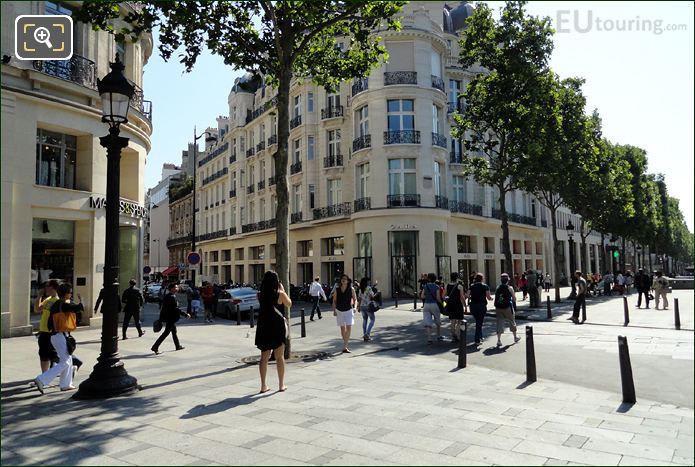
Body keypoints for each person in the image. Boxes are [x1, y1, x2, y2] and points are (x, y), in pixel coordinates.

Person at [34, 283, 83, 394]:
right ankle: (41, 379)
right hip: (59, 335)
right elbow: (78, 308)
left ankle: (66, 384)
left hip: (58, 335)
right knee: (65, 362)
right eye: (70, 292)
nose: (71, 294)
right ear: (66, 294)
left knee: (68, 360)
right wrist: (81, 301)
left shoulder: (58, 304)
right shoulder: (62, 304)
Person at [255, 270, 292, 393]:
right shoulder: (280, 294)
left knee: (264, 357)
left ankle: (263, 385)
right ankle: (281, 384)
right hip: (277, 327)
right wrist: (283, 290)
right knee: (279, 357)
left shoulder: (260, 295)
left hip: (264, 326)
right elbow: (289, 304)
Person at [151, 283, 190, 355]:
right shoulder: (171, 297)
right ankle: (155, 347)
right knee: (166, 333)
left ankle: (177, 346)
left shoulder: (169, 296)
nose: (177, 288)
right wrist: (185, 314)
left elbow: (164, 308)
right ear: (172, 289)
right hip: (170, 318)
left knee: (174, 332)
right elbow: (175, 308)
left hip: (169, 317)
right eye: (176, 287)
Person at [35, 280, 59, 372]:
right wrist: (39, 296)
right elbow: (37, 309)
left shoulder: (58, 301)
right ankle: (44, 375)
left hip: (52, 331)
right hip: (43, 331)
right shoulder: (48, 299)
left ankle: (72, 364)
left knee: (53, 355)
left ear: (53, 287)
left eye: (47, 286)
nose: (45, 288)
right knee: (44, 354)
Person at [332, 274, 357, 353]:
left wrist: (355, 307)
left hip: (349, 310)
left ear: (348, 281)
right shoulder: (337, 289)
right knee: (343, 328)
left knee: (348, 327)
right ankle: (345, 343)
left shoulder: (351, 289)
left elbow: (355, 299)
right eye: (342, 279)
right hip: (339, 310)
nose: (343, 280)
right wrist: (334, 310)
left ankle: (345, 346)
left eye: (345, 279)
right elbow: (334, 301)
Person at [493, 273, 519, 347]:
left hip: (498, 307)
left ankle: (498, 340)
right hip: (507, 307)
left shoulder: (498, 287)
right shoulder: (510, 288)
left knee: (499, 322)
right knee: (512, 321)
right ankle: (515, 337)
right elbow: (514, 298)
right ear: (507, 280)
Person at [468, 273, 492, 346]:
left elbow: (467, 295)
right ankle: (477, 339)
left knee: (478, 322)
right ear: (482, 279)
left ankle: (480, 337)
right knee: (479, 323)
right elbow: (488, 297)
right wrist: (491, 298)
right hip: (481, 305)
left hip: (473, 306)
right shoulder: (485, 286)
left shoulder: (472, 286)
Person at [420, 273, 443, 345]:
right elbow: (438, 298)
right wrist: (442, 304)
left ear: (428, 279)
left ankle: (429, 339)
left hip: (426, 305)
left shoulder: (425, 286)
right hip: (434, 304)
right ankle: (438, 335)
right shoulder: (437, 286)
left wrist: (427, 296)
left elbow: (422, 296)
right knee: (437, 320)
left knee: (428, 321)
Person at [445, 272, 465, 342]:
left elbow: (444, 295)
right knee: (459, 320)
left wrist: (445, 302)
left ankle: (453, 335)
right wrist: (465, 305)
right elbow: (462, 297)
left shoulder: (447, 285)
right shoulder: (459, 286)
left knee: (452, 321)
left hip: (450, 305)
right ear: (457, 278)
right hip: (458, 304)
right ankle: (457, 334)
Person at [357, 277, 376, 341]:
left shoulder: (360, 289)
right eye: (368, 281)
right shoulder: (369, 288)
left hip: (362, 306)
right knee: (372, 320)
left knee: (365, 320)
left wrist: (358, 306)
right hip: (368, 306)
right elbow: (372, 296)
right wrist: (377, 293)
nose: (369, 282)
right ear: (366, 282)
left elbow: (359, 299)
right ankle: (367, 334)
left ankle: (365, 334)